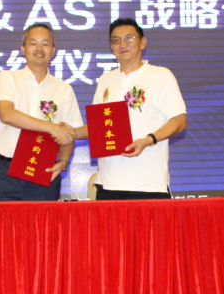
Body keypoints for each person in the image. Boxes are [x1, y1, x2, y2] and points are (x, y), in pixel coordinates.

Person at [75, 18, 187, 200]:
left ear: (142, 42)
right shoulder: (105, 80)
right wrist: (68, 133)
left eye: (129, 38)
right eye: (116, 40)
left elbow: (179, 121)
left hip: (149, 185)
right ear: (111, 47)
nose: (122, 44)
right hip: (108, 184)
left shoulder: (161, 75)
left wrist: (148, 140)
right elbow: (99, 126)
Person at [0, 23, 83, 201]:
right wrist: (52, 128)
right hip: (5, 172)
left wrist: (63, 161)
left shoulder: (64, 89)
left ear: (53, 50)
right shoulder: (8, 78)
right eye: (33, 43)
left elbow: (69, 133)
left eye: (45, 44)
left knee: (41, 221)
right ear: (23, 49)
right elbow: (7, 114)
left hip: (44, 172)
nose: (39, 49)